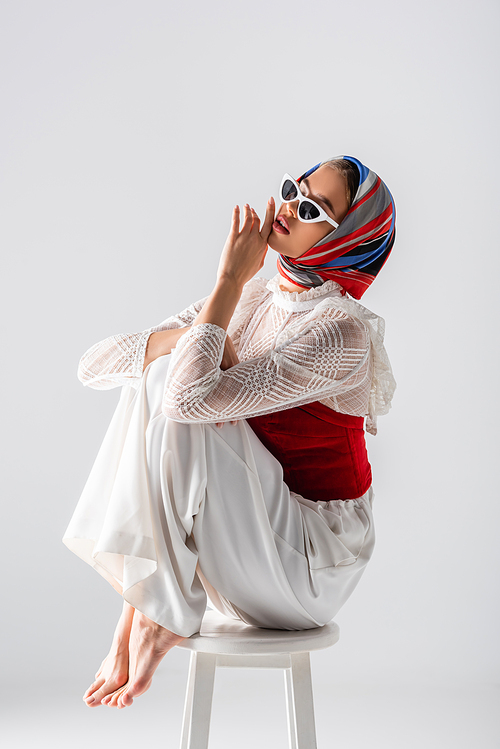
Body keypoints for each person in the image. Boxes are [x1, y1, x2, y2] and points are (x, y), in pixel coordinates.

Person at [63, 155, 396, 710]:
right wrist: (210, 328)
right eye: (294, 188)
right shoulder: (256, 299)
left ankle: (152, 614)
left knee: (178, 379)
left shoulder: (342, 331)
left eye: (314, 208)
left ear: (349, 241)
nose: (289, 206)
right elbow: (92, 366)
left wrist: (226, 283)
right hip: (251, 539)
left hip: (311, 566)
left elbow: (187, 399)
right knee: (168, 372)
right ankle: (143, 609)